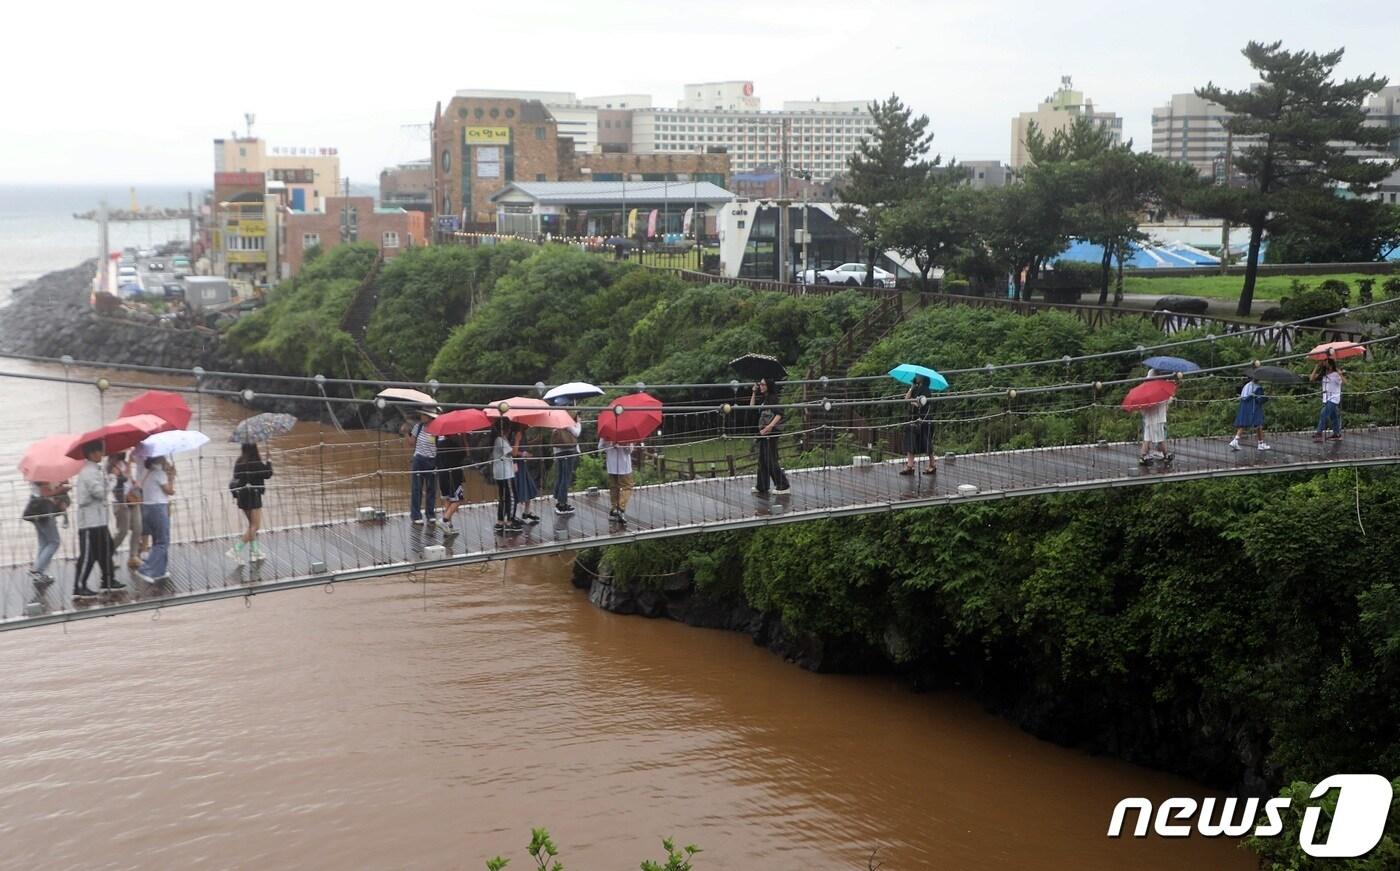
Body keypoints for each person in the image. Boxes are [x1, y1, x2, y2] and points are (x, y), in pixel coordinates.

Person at [73, 440, 121, 597]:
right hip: (89, 521)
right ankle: (79, 586)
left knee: (106, 549)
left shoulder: (96, 470)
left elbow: (100, 490)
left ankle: (108, 579)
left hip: (99, 519)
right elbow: (99, 493)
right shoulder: (88, 472)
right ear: (92, 453)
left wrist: (108, 478)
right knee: (89, 555)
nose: (102, 454)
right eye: (100, 451)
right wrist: (113, 479)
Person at [228, 443, 273, 562]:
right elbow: (268, 474)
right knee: (255, 526)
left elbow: (236, 476)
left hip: (242, 496)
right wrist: (268, 460)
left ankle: (255, 552)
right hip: (254, 496)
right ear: (254, 449)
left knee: (251, 526)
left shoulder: (239, 461)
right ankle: (236, 550)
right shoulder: (255, 462)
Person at [135, 455, 175, 584]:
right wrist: (171, 478)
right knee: (162, 541)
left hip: (147, 508)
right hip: (158, 507)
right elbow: (170, 491)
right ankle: (145, 569)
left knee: (159, 540)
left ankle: (160, 571)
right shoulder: (159, 473)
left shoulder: (146, 472)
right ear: (159, 459)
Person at [24, 479, 69, 589]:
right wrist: (61, 489)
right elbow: (45, 493)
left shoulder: (37, 474)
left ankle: (39, 573)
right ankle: (37, 570)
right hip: (43, 508)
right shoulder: (43, 475)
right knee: (54, 542)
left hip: (35, 507)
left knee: (44, 543)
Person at [749, 377, 791, 495]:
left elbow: (779, 414)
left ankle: (783, 485)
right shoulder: (764, 398)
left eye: (763, 384)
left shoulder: (773, 398)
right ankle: (762, 485)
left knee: (770, 459)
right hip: (763, 432)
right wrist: (753, 392)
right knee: (763, 459)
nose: (761, 386)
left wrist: (770, 426)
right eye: (760, 384)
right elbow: (752, 408)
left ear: (768, 386)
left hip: (770, 433)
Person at [107, 451, 143, 570]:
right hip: (121, 502)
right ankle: (107, 554)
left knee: (138, 527)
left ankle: (133, 556)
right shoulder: (111, 467)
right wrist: (120, 475)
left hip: (131, 498)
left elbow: (130, 481)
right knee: (123, 531)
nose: (125, 451)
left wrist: (134, 482)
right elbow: (112, 486)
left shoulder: (126, 463)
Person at [402, 411, 438, 525]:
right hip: (419, 459)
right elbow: (412, 442)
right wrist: (405, 433)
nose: (422, 417)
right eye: (422, 414)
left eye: (424, 415)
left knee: (431, 488)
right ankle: (416, 515)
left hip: (432, 459)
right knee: (417, 488)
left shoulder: (437, 427)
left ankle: (430, 514)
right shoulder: (418, 427)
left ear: (430, 416)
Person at [899, 374, 937, 476]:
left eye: (918, 376)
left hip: (924, 419)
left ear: (923, 377)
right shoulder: (915, 388)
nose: (916, 377)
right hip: (914, 419)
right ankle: (910, 466)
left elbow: (922, 403)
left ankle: (932, 465)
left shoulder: (926, 390)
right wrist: (911, 387)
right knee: (910, 440)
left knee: (926, 441)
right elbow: (907, 398)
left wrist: (912, 401)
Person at [491, 419, 521, 534]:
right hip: (505, 474)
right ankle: (510, 521)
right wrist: (517, 439)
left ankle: (500, 522)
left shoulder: (499, 439)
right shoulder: (500, 440)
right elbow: (513, 453)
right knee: (512, 497)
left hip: (501, 472)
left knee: (503, 497)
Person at [551, 408, 582, 515]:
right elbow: (577, 433)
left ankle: (559, 500)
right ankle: (562, 504)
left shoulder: (556, 422)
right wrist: (578, 423)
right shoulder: (566, 422)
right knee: (566, 477)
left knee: (560, 476)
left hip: (559, 453)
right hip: (568, 452)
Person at [599, 436, 635, 523]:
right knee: (628, 486)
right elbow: (629, 451)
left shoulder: (606, 433)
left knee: (614, 487)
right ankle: (621, 508)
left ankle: (614, 509)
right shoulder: (625, 433)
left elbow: (600, 447)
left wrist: (610, 446)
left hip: (611, 465)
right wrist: (623, 445)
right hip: (624, 465)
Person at [1229, 377, 1271, 451]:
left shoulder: (1247, 385)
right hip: (1254, 408)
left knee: (1244, 424)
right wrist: (1268, 396)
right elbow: (1260, 400)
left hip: (1244, 406)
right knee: (1259, 424)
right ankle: (1260, 444)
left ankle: (1235, 440)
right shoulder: (1258, 388)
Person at [436, 432, 468, 526]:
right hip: (454, 476)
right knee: (459, 499)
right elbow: (466, 454)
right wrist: (464, 439)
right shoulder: (456, 445)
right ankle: (444, 520)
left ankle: (449, 525)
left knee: (447, 499)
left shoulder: (440, 445)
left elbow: (437, 460)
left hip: (442, 475)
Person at [511, 422, 540, 525]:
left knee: (529, 486)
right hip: (516, 464)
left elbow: (523, 447)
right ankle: (512, 515)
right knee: (517, 488)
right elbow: (512, 451)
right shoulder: (516, 434)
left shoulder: (523, 433)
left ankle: (527, 511)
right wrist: (523, 453)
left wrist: (534, 442)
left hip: (522, 464)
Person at [1311, 359, 1346, 442]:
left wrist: (1340, 374)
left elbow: (1345, 382)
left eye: (1325, 362)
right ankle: (1337, 434)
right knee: (1333, 416)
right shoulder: (1323, 374)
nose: (1323, 363)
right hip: (1326, 398)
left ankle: (1319, 433)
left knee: (1323, 414)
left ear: (1330, 364)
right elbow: (1311, 379)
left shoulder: (1335, 374)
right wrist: (1316, 367)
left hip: (1334, 398)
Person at [1139, 399, 1172, 465]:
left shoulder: (1145, 399)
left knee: (1147, 439)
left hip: (1148, 420)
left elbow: (1142, 412)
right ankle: (1166, 454)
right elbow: (1165, 409)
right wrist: (1168, 402)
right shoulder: (1162, 397)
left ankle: (1143, 456)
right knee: (1161, 438)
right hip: (1158, 420)